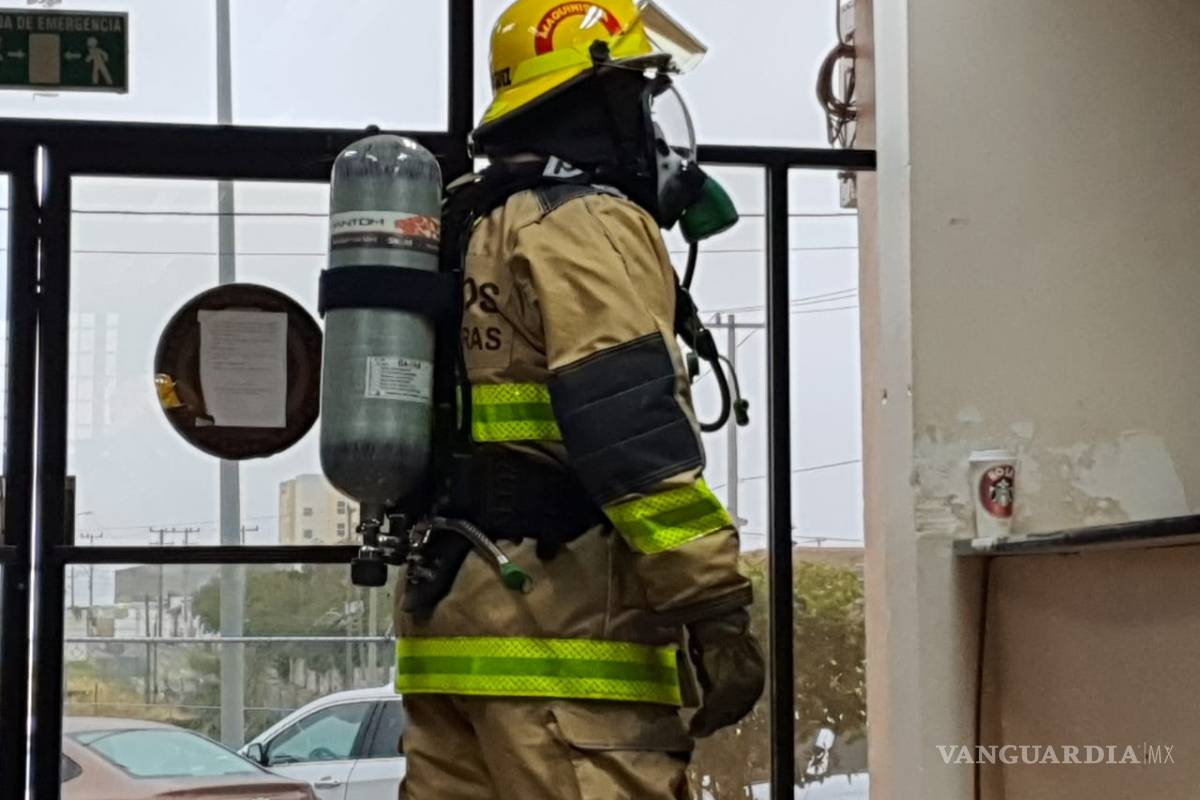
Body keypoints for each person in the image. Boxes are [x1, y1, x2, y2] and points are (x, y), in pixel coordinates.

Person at [395, 3, 764, 797]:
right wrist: (714, 605)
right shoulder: (584, 221)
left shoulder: (465, 224)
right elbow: (632, 432)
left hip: (452, 635)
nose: (650, 122)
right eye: (638, 93)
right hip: (563, 653)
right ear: (597, 97)